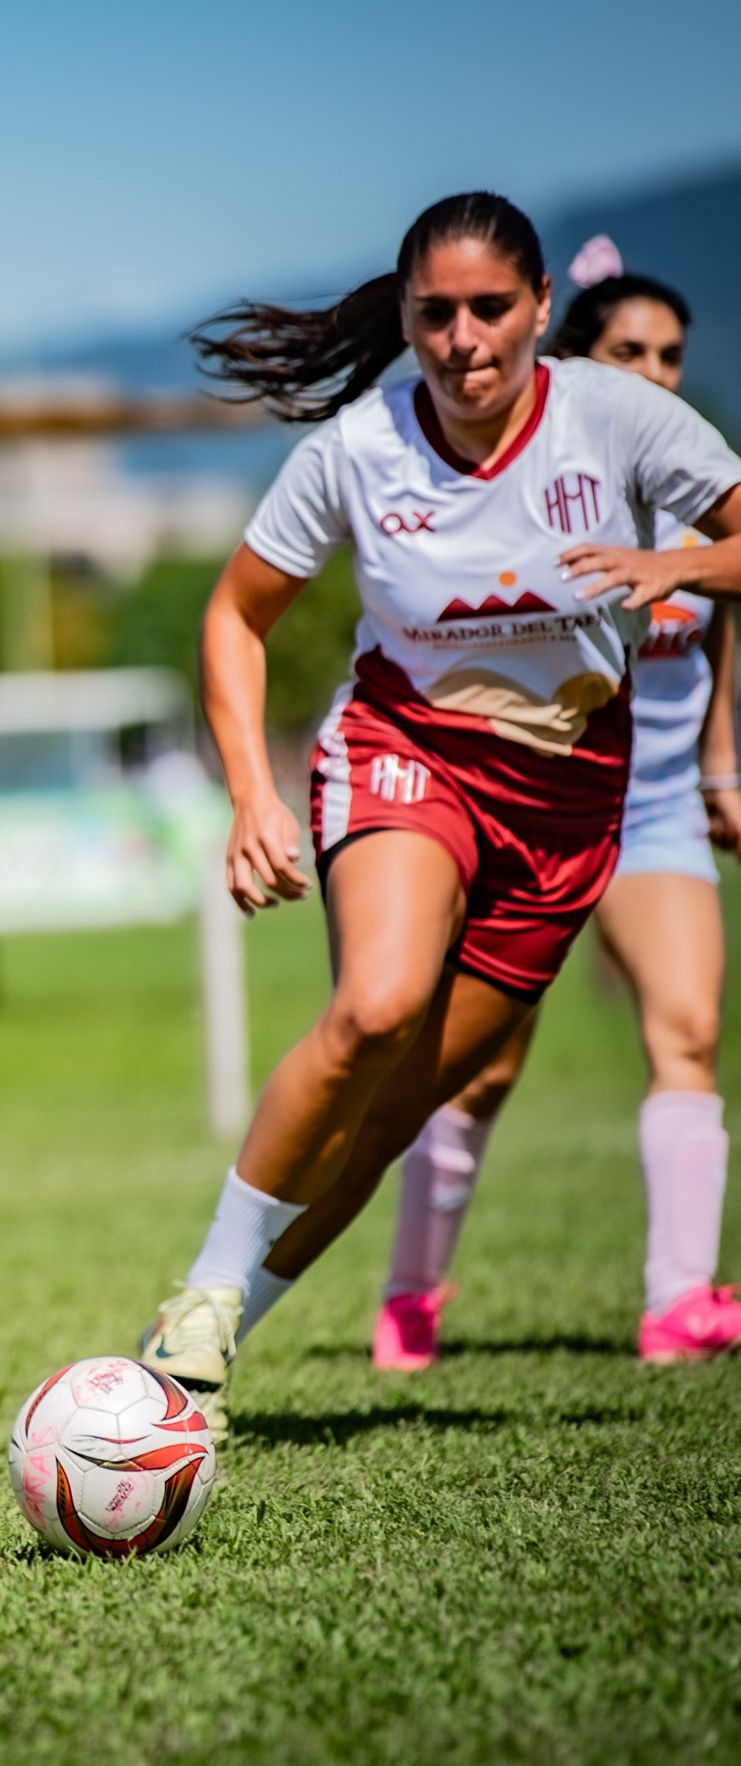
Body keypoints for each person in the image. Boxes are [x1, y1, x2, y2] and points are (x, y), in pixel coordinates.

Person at [135, 192, 741, 1436]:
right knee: (377, 1007)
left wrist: (674, 564)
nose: (463, 339)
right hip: (405, 750)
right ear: (407, 321)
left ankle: (208, 1339)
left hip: (570, 793)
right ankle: (199, 1290)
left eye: (488, 310)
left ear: (536, 316)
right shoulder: (357, 450)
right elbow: (233, 617)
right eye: (435, 315)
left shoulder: (617, 418)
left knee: (406, 1099)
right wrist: (252, 792)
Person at [373, 242, 741, 1371]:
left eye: (672, 356)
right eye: (629, 353)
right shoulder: (525, 487)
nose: (656, 375)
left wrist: (723, 754)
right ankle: (411, 1295)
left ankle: (678, 1306)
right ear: (573, 359)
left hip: (658, 808)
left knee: (688, 1027)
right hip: (523, 810)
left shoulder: (697, 494)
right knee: (480, 1069)